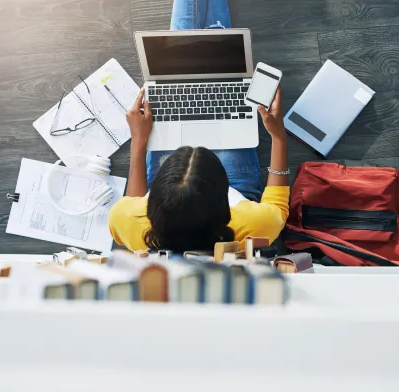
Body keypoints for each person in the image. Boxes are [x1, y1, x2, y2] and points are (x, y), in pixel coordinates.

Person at [108, 0, 290, 252]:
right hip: (237, 186)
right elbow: (278, 207)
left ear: (154, 205)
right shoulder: (253, 223)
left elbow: (134, 200)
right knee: (220, 59)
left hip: (190, 197)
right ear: (225, 207)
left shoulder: (125, 221)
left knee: (178, 62)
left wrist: (138, 141)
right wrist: (279, 137)